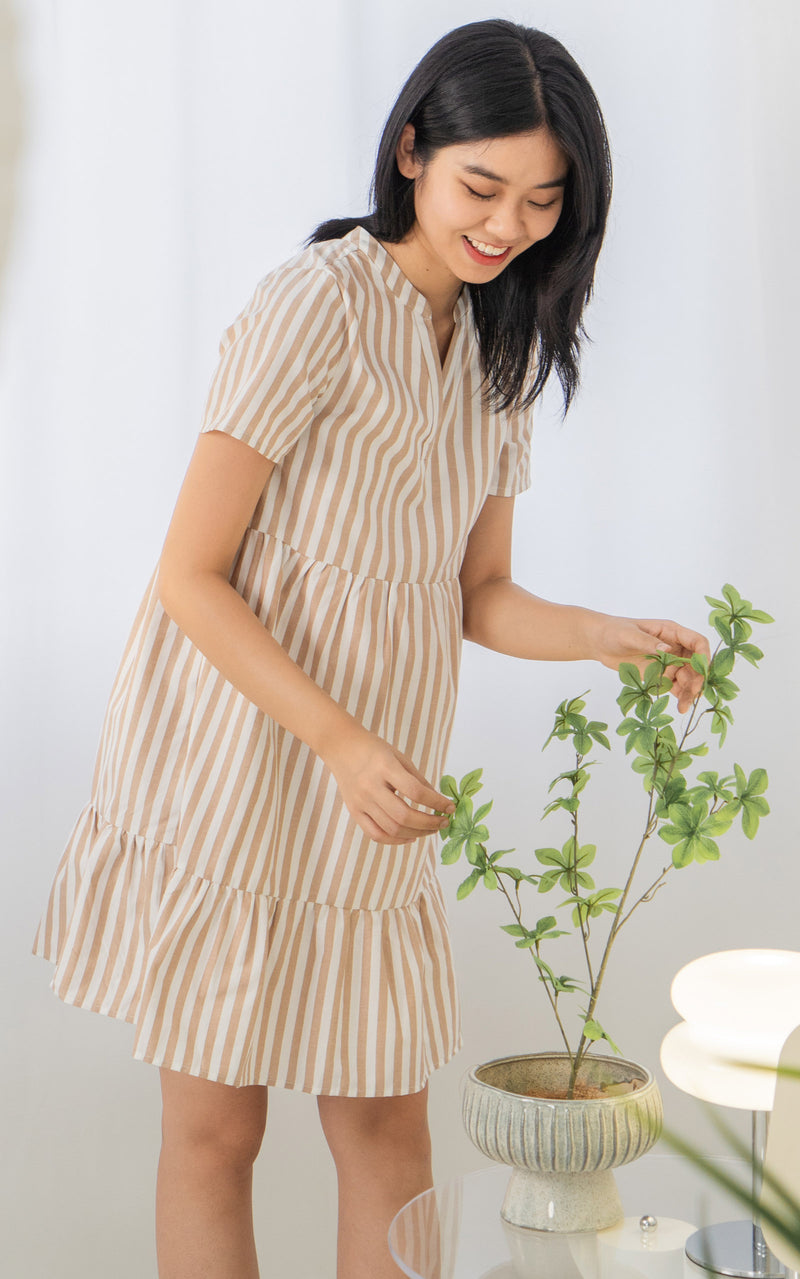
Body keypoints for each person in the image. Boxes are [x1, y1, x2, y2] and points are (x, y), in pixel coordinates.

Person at [34, 18, 708, 1279]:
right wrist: (338, 738)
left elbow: (478, 591)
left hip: (369, 792)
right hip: (238, 759)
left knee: (388, 1129)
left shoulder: (497, 351)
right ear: (409, 151)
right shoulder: (315, 304)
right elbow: (189, 576)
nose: (506, 225)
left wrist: (601, 637)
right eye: (481, 187)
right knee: (216, 1125)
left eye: (542, 201)